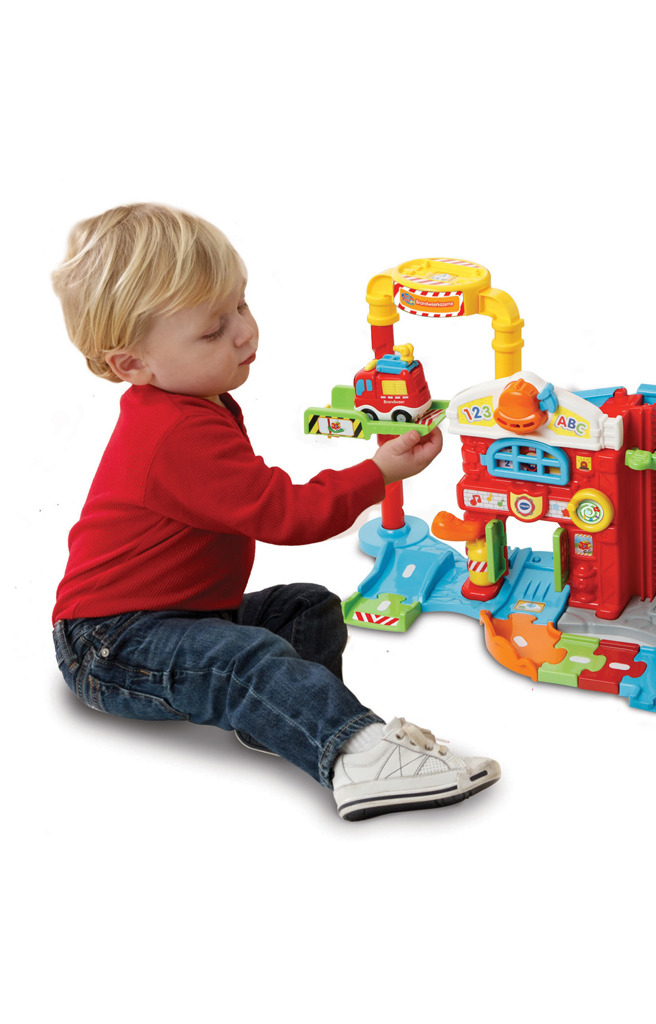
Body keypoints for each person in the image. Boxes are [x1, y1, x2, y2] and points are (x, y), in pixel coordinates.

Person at [50, 203, 499, 821]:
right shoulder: (175, 433)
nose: (244, 332)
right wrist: (377, 473)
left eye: (241, 305)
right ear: (133, 364)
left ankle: (289, 721)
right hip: (114, 643)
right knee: (247, 659)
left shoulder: (192, 400)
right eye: (213, 331)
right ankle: (357, 755)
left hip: (185, 614)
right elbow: (286, 514)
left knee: (307, 608)